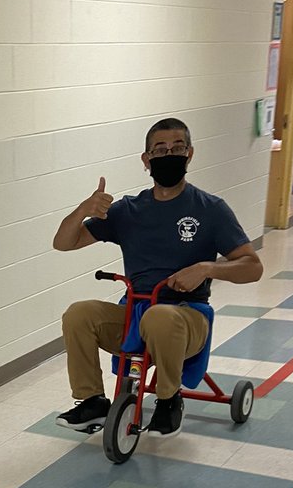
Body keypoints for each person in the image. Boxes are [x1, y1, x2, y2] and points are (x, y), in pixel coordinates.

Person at [52, 118, 263, 438]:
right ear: (146, 159)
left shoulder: (210, 209)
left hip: (187, 317)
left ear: (190, 154)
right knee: (79, 313)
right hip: (136, 312)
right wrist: (84, 209)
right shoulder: (128, 210)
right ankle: (92, 400)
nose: (169, 155)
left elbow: (252, 266)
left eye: (177, 148)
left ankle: (168, 399)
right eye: (160, 150)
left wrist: (207, 269)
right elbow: (63, 242)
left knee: (161, 317)